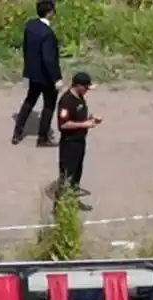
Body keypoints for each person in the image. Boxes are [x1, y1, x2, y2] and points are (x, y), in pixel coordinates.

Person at [12, 0, 61, 147]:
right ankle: (43, 137)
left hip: (33, 73)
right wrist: (56, 78)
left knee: (29, 101)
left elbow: (26, 49)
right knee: (48, 105)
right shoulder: (47, 34)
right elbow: (49, 59)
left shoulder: (30, 26)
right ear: (50, 12)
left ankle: (17, 133)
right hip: (46, 76)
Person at [55, 71, 100, 211]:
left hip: (80, 141)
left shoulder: (80, 97)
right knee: (67, 175)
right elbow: (63, 125)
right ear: (78, 86)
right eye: (86, 88)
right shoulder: (66, 101)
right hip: (69, 143)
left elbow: (79, 117)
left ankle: (73, 201)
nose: (87, 91)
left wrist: (91, 119)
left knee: (76, 174)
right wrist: (84, 125)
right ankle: (60, 206)